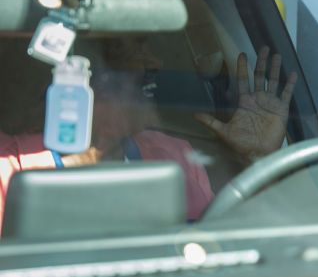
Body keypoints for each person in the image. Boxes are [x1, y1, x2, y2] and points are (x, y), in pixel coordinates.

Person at [0, 41, 296, 225]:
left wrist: (257, 161)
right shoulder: (8, 167)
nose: (154, 63)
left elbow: (248, 242)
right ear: (69, 77)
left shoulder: (174, 154)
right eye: (127, 52)